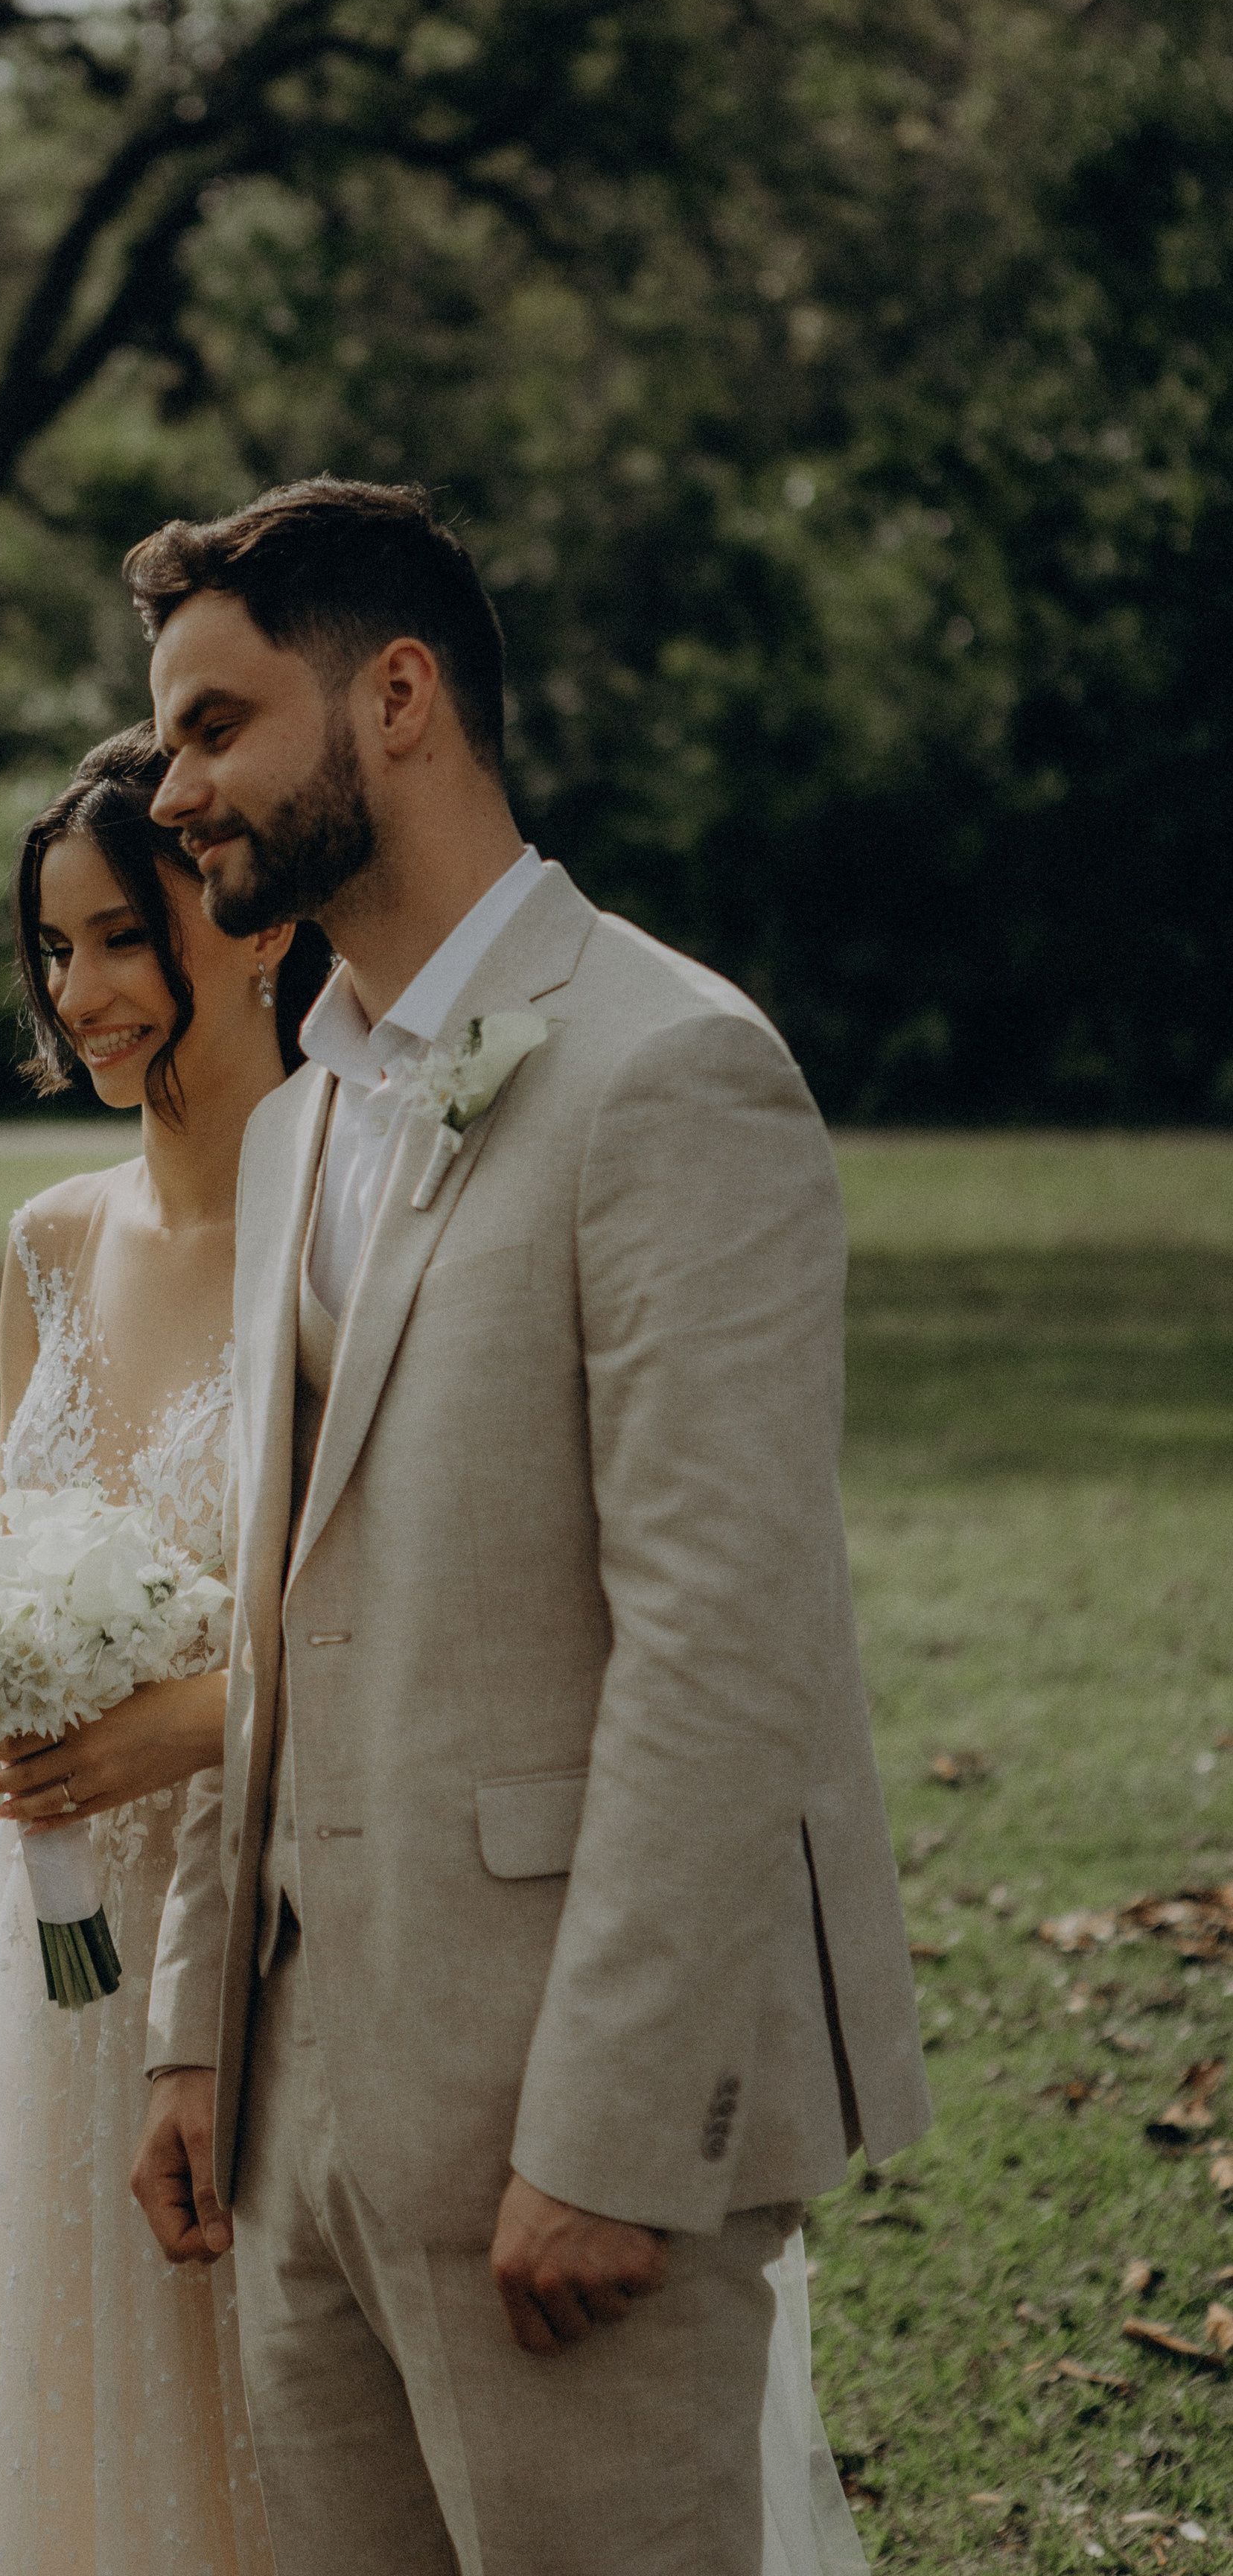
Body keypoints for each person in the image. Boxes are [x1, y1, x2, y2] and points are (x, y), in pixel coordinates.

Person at [128, 478, 931, 2576]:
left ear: (395, 698)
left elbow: (722, 1643)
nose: (173, 787)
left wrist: (611, 2140)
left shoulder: (678, 1071)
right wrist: (196, 2038)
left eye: (215, 728)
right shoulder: (302, 1110)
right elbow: (270, 1599)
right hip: (303, 2126)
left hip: (557, 2152)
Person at [0, 724, 322, 2576]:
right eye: (55, 946)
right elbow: (32, 1546)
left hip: (280, 1911)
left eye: (125, 935)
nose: (84, 991)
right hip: (54, 1941)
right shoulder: (44, 1244)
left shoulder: (347, 1225)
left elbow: (392, 1616)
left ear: (254, 927)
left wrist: (186, 1724)